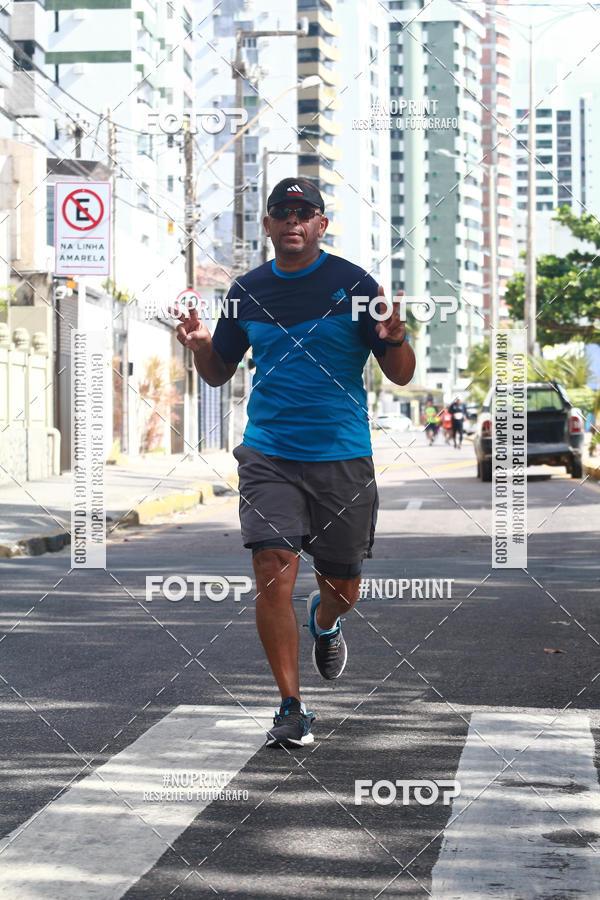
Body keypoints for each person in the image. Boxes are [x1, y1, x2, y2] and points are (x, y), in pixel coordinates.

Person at [176, 177, 415, 748]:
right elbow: (219, 372)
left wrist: (399, 338)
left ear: (320, 224)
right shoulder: (246, 292)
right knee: (271, 571)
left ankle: (326, 621)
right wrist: (201, 344)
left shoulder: (356, 284)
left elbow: (400, 373)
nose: (292, 220)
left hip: (342, 457)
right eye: (281, 212)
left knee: (344, 586)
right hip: (269, 455)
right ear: (267, 226)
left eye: (304, 212)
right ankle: (290, 706)